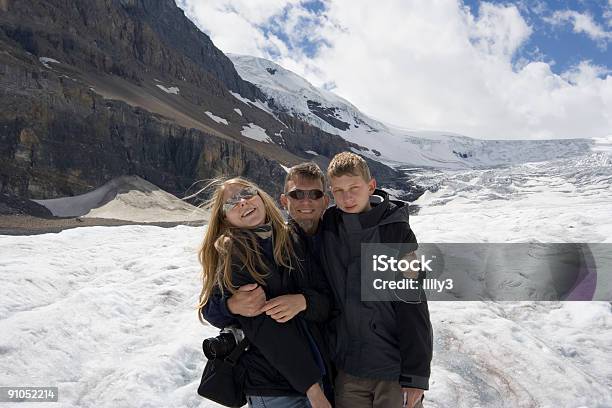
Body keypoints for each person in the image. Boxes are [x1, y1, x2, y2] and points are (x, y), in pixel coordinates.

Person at [197, 177, 332, 408]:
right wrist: (312, 388)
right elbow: (264, 327)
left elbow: (325, 300)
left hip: (318, 376)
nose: (242, 203)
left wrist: (303, 302)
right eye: (231, 203)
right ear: (224, 217)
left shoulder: (292, 238)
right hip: (274, 387)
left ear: (260, 195)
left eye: (247, 193)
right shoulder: (234, 252)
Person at [320, 152, 433, 408]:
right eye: (338, 191)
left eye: (354, 188)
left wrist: (416, 377)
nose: (347, 198)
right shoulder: (329, 226)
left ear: (371, 186)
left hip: (392, 372)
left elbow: (413, 307)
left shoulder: (394, 231)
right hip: (349, 371)